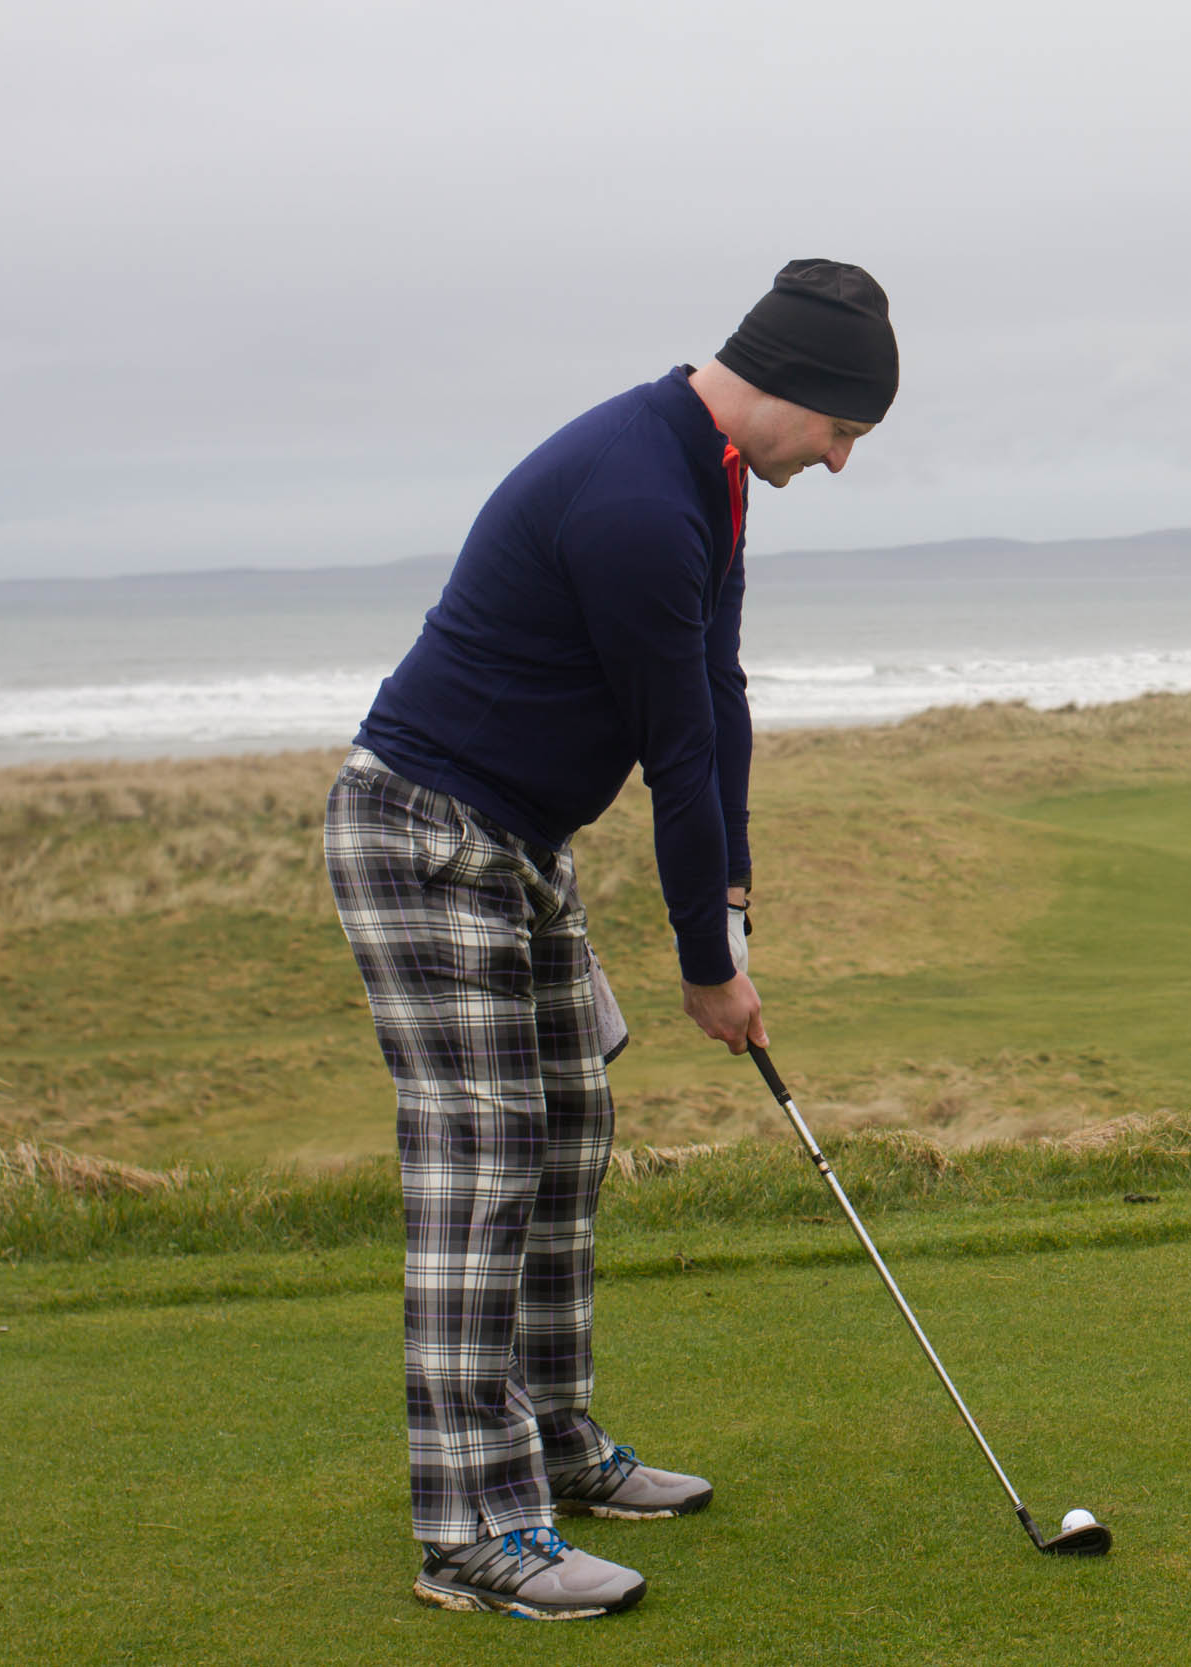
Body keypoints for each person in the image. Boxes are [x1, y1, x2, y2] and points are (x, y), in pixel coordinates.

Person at [321, 260, 897, 1619]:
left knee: (567, 1134)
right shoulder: (640, 497)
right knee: (481, 1164)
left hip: (514, 843)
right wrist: (707, 968)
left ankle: (555, 1446)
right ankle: (469, 1530)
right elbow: (673, 750)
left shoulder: (711, 478)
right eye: (843, 431)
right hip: (422, 835)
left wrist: (734, 897)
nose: (841, 460)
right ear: (795, 392)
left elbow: (718, 689)